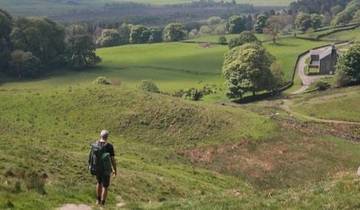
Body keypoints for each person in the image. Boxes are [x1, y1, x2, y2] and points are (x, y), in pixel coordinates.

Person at [90, 130, 117, 206]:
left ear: (100, 135)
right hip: (106, 169)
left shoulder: (95, 144)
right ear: (107, 137)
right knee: (105, 186)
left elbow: (91, 157)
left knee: (99, 183)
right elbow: (112, 160)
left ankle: (97, 200)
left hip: (97, 168)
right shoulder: (109, 146)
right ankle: (102, 203)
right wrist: (115, 169)